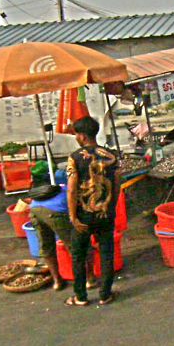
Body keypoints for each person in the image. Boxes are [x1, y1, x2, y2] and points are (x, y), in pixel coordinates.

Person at [65, 115, 120, 307]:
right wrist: (111, 207)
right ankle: (105, 294)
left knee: (78, 255)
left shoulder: (75, 158)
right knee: (106, 253)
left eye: (76, 134)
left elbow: (72, 190)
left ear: (82, 136)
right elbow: (117, 184)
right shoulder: (111, 155)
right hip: (105, 213)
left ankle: (80, 296)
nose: (76, 138)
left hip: (84, 215)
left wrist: (72, 216)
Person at [28, 169, 73, 291]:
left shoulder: (46, 190)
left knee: (46, 246)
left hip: (34, 211)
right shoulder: (69, 189)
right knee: (74, 246)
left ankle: (57, 281)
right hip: (55, 213)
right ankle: (89, 279)